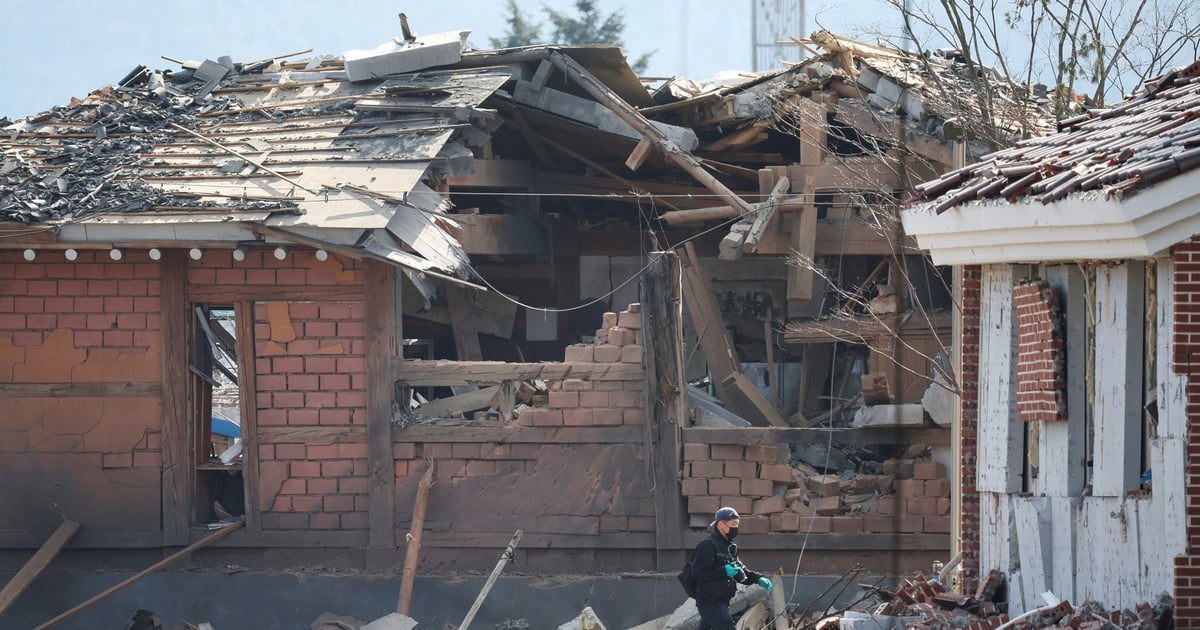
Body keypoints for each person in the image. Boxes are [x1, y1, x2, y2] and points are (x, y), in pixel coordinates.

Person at [689, 506, 773, 629]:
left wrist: (758, 578)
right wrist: (724, 571)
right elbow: (698, 573)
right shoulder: (707, 545)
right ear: (721, 524)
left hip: (723, 600)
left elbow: (740, 570)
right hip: (710, 601)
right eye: (733, 524)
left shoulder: (730, 548)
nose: (736, 528)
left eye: (737, 525)